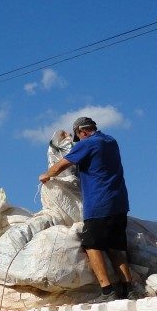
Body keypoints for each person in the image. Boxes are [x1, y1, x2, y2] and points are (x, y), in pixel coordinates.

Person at [39, 116, 134, 301]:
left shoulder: (88, 143)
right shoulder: (110, 141)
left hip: (99, 203)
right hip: (119, 203)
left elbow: (61, 165)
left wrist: (47, 175)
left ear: (82, 132)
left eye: (78, 136)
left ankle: (107, 290)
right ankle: (129, 289)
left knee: (91, 244)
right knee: (116, 247)